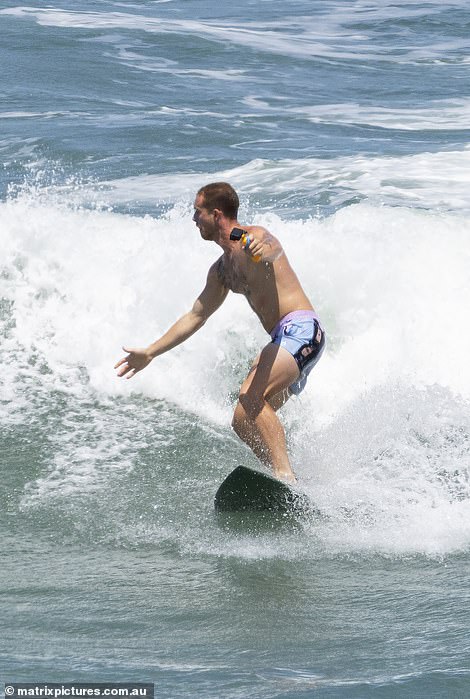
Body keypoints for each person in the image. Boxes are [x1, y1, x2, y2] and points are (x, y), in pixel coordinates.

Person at [115, 182, 325, 482]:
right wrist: (150, 351)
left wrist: (260, 249)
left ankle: (285, 475)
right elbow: (196, 315)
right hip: (281, 338)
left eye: (197, 212)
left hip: (302, 329)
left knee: (252, 397)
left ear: (215, 214)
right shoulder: (222, 270)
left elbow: (270, 248)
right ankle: (287, 482)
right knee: (242, 421)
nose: (193, 220)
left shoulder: (249, 236)